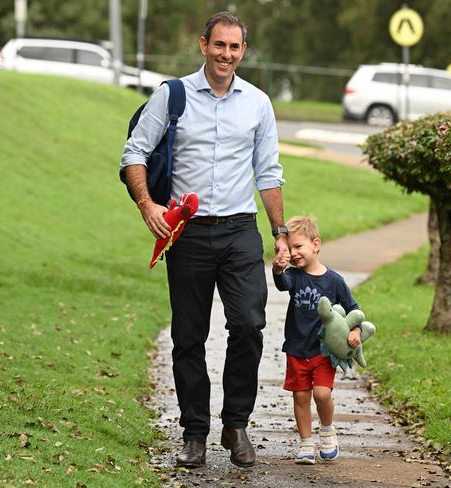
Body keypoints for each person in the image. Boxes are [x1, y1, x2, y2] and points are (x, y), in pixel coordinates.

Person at [120, 11, 289, 468]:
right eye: (219, 46)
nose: (226, 55)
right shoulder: (172, 95)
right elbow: (134, 152)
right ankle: (194, 432)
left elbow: (268, 173)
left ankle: (236, 425)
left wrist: (280, 234)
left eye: (234, 48)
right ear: (203, 45)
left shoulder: (257, 103)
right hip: (188, 234)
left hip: (239, 233)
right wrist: (147, 205)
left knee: (250, 326)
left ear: (243, 52)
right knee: (189, 337)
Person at [272, 216, 362, 464]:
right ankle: (305, 442)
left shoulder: (334, 281)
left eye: (298, 247)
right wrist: (278, 268)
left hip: (323, 351)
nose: (294, 253)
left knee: (322, 394)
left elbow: (354, 309)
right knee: (300, 397)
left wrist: (356, 332)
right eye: (290, 249)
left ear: (316, 244)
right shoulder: (294, 276)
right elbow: (282, 283)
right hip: (297, 349)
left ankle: (327, 429)